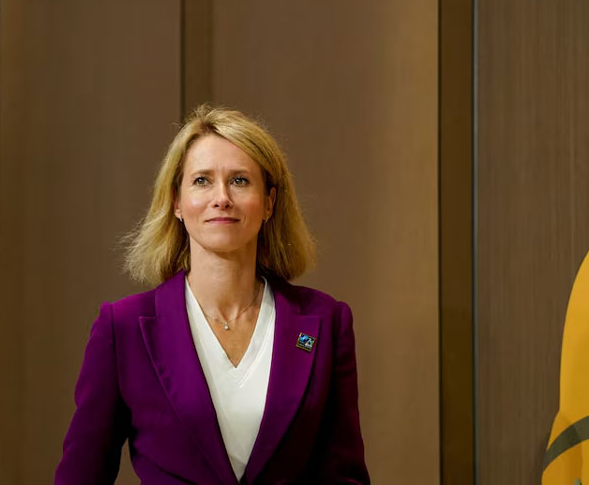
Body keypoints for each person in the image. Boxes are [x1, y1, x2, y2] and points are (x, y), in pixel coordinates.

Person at [55, 105, 370, 484]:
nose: (221, 198)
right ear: (176, 201)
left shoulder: (326, 322)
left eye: (239, 181)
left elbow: (343, 475)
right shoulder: (122, 329)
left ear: (269, 202)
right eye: (202, 180)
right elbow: (81, 474)